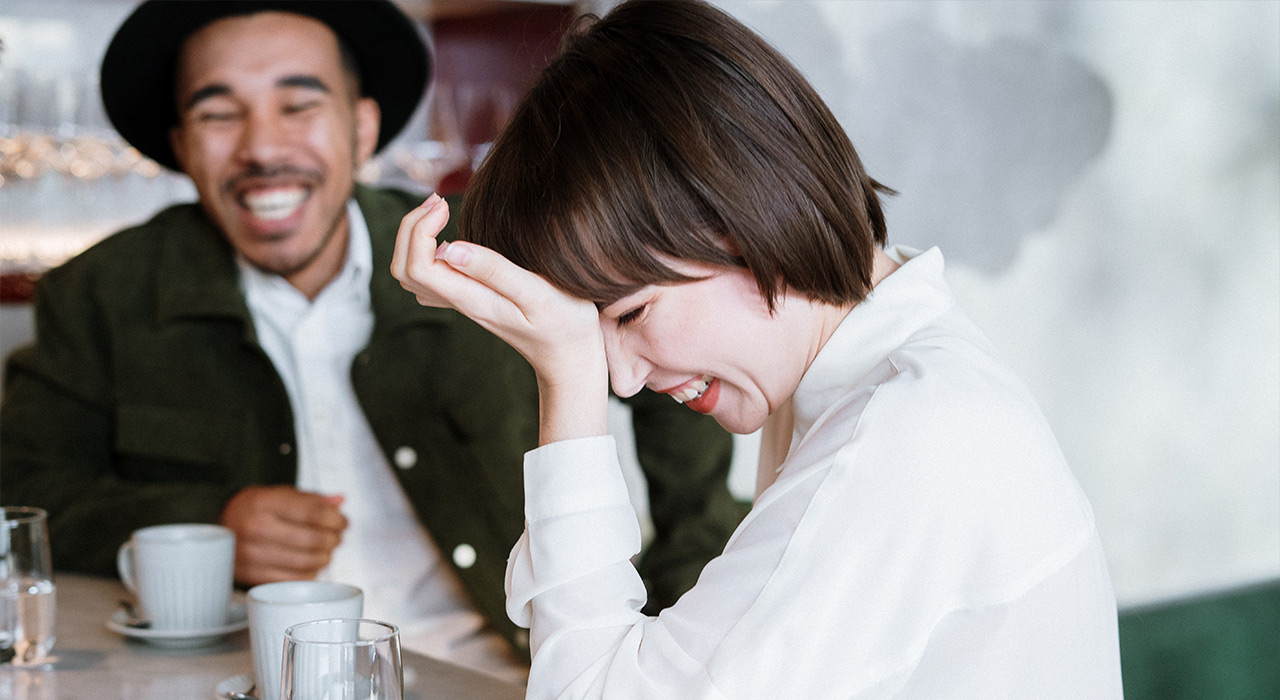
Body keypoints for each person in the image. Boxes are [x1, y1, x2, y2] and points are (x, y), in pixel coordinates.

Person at [391, 0, 1125, 696]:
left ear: (737, 219)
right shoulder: (870, 377)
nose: (620, 376)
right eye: (593, 334)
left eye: (632, 313)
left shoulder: (905, 441)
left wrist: (566, 376)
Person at [0, 0, 746, 680]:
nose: (263, 148)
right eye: (219, 114)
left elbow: (672, 392)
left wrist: (678, 635)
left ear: (362, 128)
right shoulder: (98, 294)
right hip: (242, 682)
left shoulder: (493, 250)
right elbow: (25, 502)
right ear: (181, 145)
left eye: (299, 105)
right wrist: (210, 517)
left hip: (503, 677)